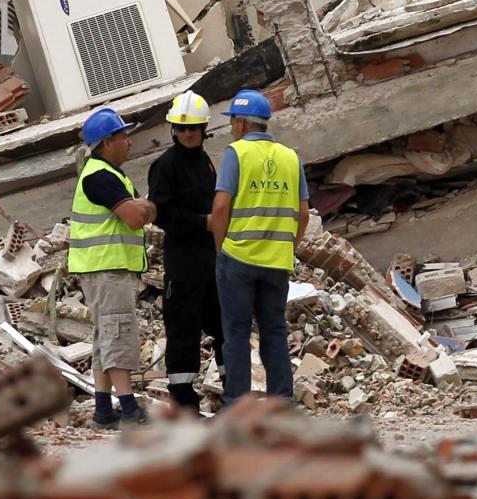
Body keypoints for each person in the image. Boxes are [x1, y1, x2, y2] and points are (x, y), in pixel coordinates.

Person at [207, 89, 310, 408]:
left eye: (232, 122)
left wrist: (220, 247)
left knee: (236, 333)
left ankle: (237, 405)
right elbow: (303, 214)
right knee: (274, 331)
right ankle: (283, 402)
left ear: (240, 123)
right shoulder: (290, 157)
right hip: (276, 262)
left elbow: (221, 206)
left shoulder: (235, 153)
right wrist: (287, 247)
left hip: (238, 257)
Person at [69, 106, 155, 427]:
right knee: (118, 333)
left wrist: (142, 206)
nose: (129, 142)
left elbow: (141, 209)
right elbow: (136, 216)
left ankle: (104, 410)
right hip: (107, 269)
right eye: (123, 136)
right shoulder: (100, 177)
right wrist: (145, 206)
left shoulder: (109, 175)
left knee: (104, 337)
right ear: (107, 142)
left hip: (103, 269)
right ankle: (130, 408)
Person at [147, 91, 224, 412]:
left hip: (212, 260)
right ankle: (184, 400)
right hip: (183, 262)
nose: (188, 133)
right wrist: (202, 222)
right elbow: (161, 214)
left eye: (193, 128)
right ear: (173, 130)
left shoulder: (205, 162)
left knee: (223, 324)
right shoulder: (164, 166)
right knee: (183, 329)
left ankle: (232, 389)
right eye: (182, 128)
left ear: (204, 128)